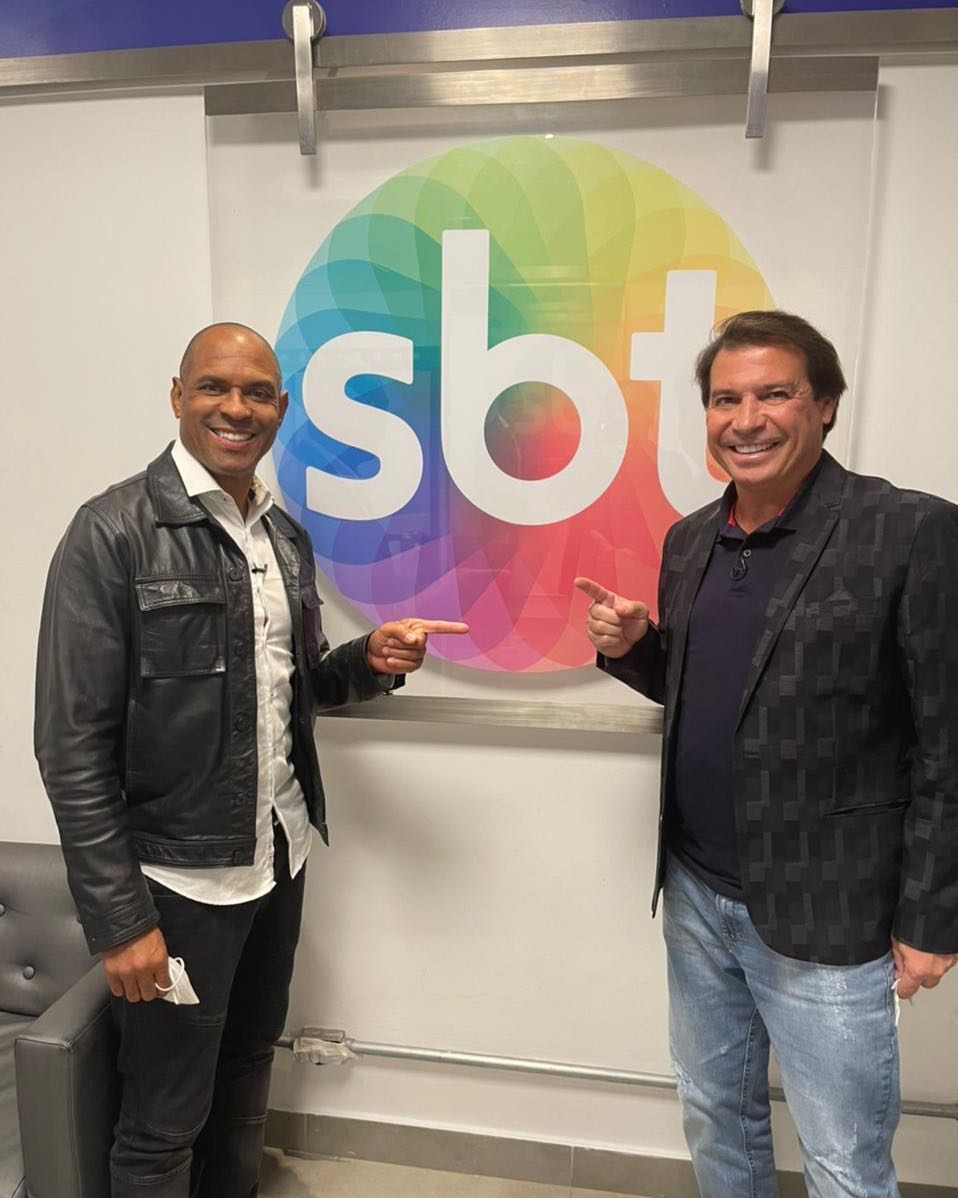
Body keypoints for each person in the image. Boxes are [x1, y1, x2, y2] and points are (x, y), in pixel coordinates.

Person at [34, 322, 468, 1198]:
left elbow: (295, 689)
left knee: (243, 1082)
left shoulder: (281, 536)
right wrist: (120, 921)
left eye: (258, 393)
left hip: (279, 857)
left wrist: (369, 661)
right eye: (214, 387)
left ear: (281, 408)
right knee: (162, 1122)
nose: (236, 408)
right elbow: (69, 745)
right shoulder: (112, 531)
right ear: (177, 395)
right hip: (177, 885)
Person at [576, 310, 957, 1197]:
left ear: (824, 405)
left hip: (832, 911)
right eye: (725, 400)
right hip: (697, 893)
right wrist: (638, 647)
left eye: (774, 394)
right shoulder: (690, 540)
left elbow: (948, 738)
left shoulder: (909, 531)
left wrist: (932, 915)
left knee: (843, 1160)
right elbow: (728, 693)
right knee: (718, 1115)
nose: (745, 420)